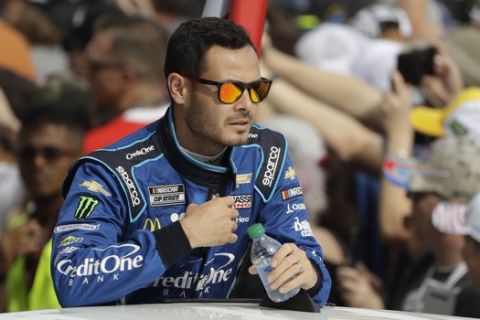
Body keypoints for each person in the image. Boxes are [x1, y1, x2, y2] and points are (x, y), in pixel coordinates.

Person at [51, 17, 331, 308]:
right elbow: (70, 279)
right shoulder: (109, 173)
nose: (247, 104)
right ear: (179, 88)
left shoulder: (266, 154)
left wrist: (308, 274)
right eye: (230, 90)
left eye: (256, 88)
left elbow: (310, 264)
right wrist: (182, 236)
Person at [0, 101, 87, 311]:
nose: (38, 163)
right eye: (28, 154)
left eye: (51, 153)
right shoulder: (17, 229)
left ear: (78, 159)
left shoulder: (94, 229)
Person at [83, 15, 170, 153]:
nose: (85, 73)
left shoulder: (100, 148)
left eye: (93, 66)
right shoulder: (197, 130)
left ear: (126, 76)